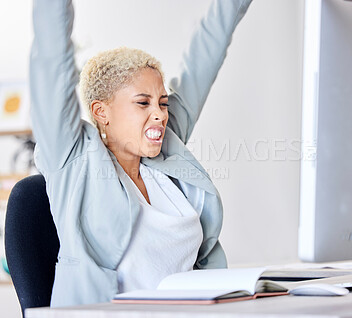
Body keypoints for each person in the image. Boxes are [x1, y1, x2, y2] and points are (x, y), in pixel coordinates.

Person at [30, 0, 253, 307]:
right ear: (101, 111)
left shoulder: (164, 152)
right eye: (142, 102)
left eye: (162, 103)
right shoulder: (71, 156)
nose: (160, 114)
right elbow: (51, 59)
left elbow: (207, 54)